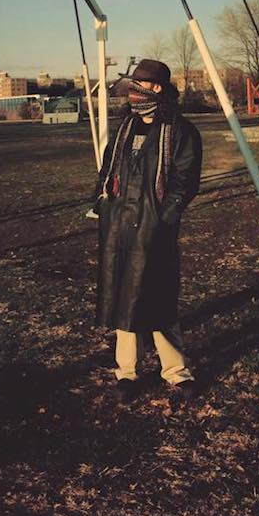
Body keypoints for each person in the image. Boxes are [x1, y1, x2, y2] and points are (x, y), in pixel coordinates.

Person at [93, 59, 202, 402]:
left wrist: (164, 217)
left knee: (158, 297)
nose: (135, 93)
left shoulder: (180, 131)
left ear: (158, 89)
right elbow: (108, 169)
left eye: (143, 86)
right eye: (133, 86)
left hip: (154, 227)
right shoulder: (126, 128)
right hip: (120, 227)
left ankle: (175, 371)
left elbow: (185, 181)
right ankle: (126, 372)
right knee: (125, 298)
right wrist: (102, 204)